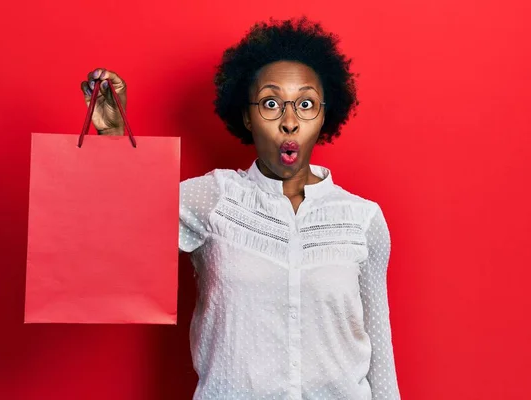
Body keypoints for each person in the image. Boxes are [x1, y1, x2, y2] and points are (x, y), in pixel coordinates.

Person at [80, 16, 400, 400]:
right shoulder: (214, 198)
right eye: (270, 103)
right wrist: (113, 135)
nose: (289, 122)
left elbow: (379, 348)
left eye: (305, 104)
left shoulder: (363, 219)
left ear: (324, 114)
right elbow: (125, 218)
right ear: (247, 116)